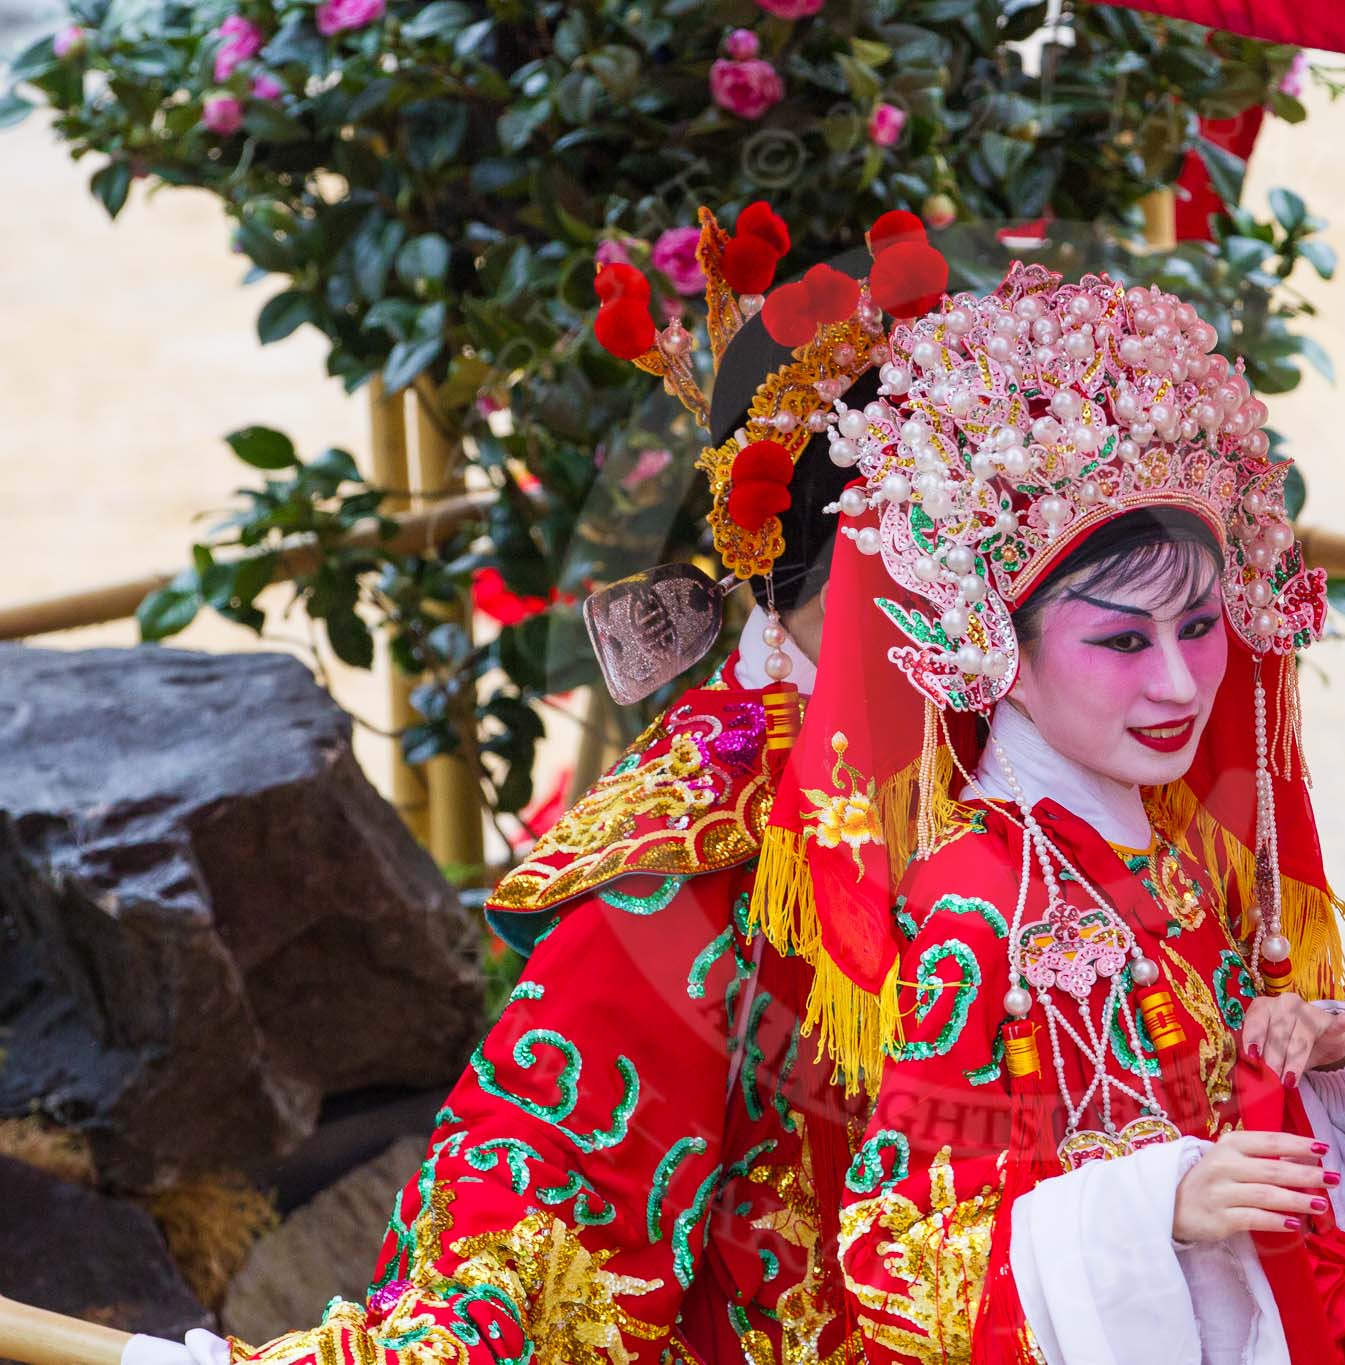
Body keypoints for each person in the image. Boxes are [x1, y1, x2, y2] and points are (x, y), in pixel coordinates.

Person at [123, 201, 954, 1365]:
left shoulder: (1049, 774)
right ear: (780, 573)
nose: (966, 617)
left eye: (985, 561)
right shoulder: (695, 857)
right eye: (911, 568)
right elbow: (539, 1224)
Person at [752, 260, 1345, 1363]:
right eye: (1121, 640)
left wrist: (1331, 1046)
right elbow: (901, 1257)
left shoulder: (1166, 853)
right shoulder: (976, 903)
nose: (1179, 684)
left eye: (1201, 626)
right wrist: (1155, 1207)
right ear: (995, 653)